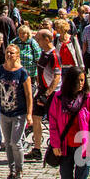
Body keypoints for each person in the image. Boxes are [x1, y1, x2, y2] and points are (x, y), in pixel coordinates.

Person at [0, 43, 33, 179]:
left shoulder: (22, 73)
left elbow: (29, 95)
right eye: (7, 53)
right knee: (8, 143)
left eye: (12, 53)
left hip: (19, 113)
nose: (9, 55)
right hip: (4, 112)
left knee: (15, 142)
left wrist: (29, 114)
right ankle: (11, 170)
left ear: (17, 55)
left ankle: (19, 170)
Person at [28, 28, 61, 163]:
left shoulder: (54, 55)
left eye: (39, 39)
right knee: (36, 117)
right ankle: (37, 149)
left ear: (47, 39)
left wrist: (47, 94)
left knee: (54, 121)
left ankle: (55, 146)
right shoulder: (43, 53)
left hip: (51, 93)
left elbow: (57, 77)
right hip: (42, 91)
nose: (37, 41)